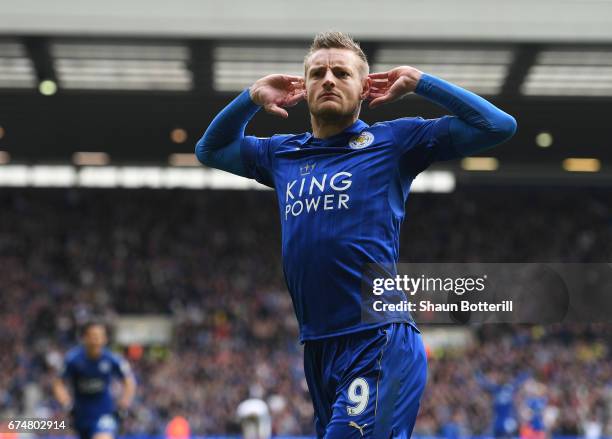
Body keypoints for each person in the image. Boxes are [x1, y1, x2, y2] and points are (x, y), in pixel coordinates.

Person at [196, 31, 516, 438]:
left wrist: (421, 83)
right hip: (319, 348)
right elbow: (209, 149)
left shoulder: (394, 141)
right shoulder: (280, 153)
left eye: (341, 72)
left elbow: (498, 126)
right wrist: (250, 98)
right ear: (304, 88)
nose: (328, 79)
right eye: (317, 73)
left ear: (364, 88)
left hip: (377, 337)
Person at [52, 321, 136, 439]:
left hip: (104, 415)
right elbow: (58, 383)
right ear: (85, 338)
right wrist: (66, 403)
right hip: (80, 417)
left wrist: (123, 405)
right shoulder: (73, 360)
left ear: (105, 339)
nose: (96, 340)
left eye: (100, 336)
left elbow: (129, 381)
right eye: (93, 336)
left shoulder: (111, 359)